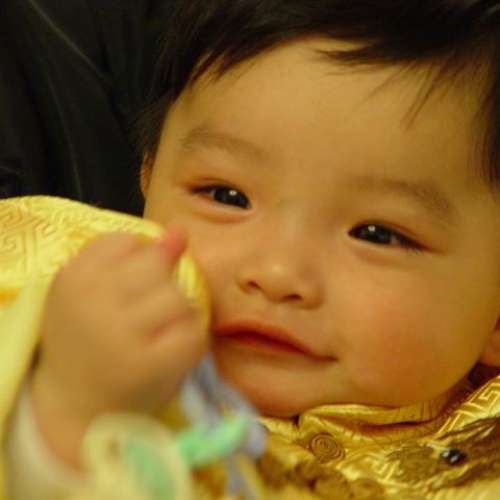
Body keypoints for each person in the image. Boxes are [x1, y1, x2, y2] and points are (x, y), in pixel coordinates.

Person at [4, 0, 500, 498]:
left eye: (376, 235)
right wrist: (65, 419)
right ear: (148, 176)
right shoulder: (55, 291)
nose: (277, 273)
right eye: (226, 196)